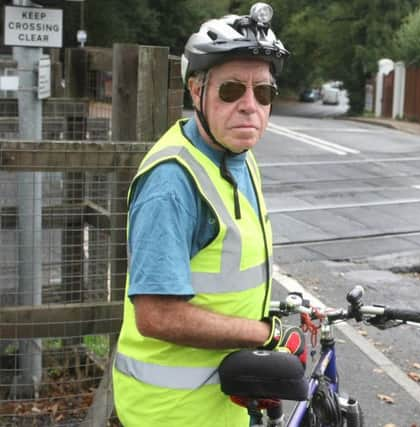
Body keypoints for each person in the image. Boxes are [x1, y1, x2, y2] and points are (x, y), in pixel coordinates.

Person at [112, 4, 306, 426]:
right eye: (231, 90)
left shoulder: (240, 156)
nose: (250, 106)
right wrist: (268, 334)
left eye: (264, 92)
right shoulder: (172, 183)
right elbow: (157, 315)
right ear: (196, 91)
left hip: (227, 399)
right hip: (175, 413)